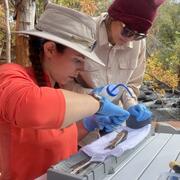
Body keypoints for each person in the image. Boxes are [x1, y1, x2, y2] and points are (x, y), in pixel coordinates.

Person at [0, 3, 130, 180]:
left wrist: (88, 124)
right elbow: (34, 108)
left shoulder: (58, 88)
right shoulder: (10, 75)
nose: (82, 68)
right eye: (77, 60)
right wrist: (96, 102)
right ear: (50, 49)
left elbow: (54, 140)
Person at [64, 0, 166, 130]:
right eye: (127, 31)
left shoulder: (138, 43)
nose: (130, 39)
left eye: (138, 35)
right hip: (79, 127)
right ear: (113, 16)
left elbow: (133, 84)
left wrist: (131, 104)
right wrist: (95, 98)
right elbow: (64, 83)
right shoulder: (84, 33)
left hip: (115, 128)